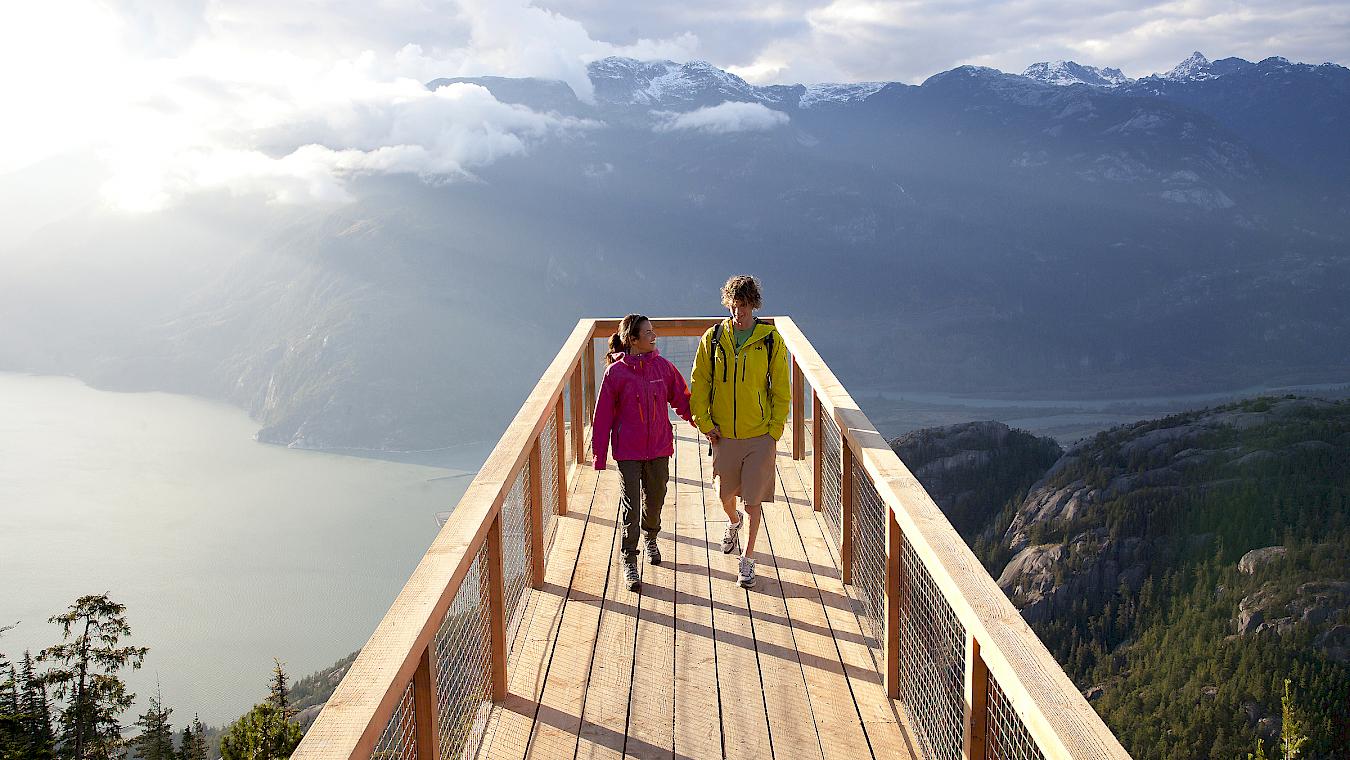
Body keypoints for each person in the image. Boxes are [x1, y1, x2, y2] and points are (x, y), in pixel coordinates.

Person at [689, 275, 790, 588]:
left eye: (743, 306)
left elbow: (781, 390)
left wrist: (774, 430)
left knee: (753, 501)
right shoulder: (714, 338)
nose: (738, 312)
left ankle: (748, 560)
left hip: (759, 435)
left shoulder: (771, 340)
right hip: (725, 435)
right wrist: (704, 422)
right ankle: (733, 523)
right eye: (733, 306)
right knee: (725, 495)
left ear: (753, 305)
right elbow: (699, 382)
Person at [592, 314, 693, 591]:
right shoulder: (616, 373)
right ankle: (629, 559)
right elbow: (602, 418)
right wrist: (599, 455)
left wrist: (705, 426)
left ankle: (651, 536)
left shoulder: (663, 368)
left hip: (659, 447)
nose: (654, 336)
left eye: (653, 331)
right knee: (631, 505)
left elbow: (684, 401)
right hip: (628, 451)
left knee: (657, 498)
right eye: (647, 333)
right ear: (632, 340)